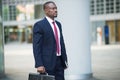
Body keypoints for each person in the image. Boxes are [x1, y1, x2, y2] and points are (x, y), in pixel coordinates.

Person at [32, 1, 68, 80]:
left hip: (60, 62)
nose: (55, 10)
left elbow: (61, 43)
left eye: (56, 8)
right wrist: (39, 64)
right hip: (47, 63)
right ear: (46, 10)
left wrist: (64, 60)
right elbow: (36, 46)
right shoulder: (39, 25)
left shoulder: (58, 24)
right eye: (52, 8)